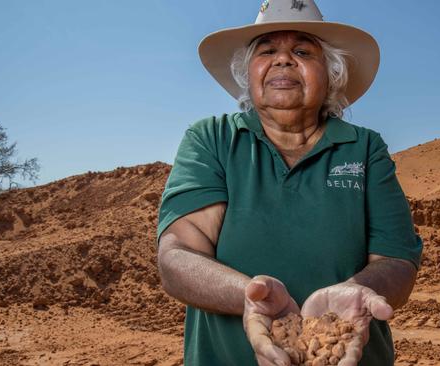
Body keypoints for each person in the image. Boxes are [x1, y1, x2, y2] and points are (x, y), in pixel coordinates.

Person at [156, 1, 423, 365]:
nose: (283, 60)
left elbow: (397, 261)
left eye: (301, 51)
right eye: (267, 50)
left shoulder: (364, 147)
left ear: (331, 73)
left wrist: (358, 291)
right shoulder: (212, 138)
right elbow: (178, 256)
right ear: (247, 73)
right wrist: (251, 296)